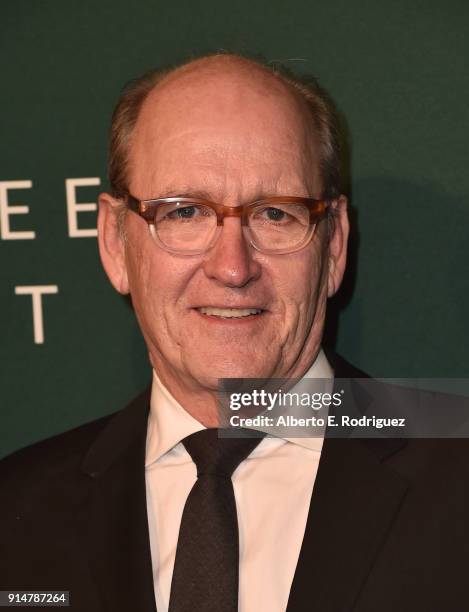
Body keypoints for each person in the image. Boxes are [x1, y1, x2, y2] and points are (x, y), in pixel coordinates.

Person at [1, 52, 468, 612]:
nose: (232, 267)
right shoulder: (15, 512)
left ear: (335, 245)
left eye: (275, 214)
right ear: (115, 242)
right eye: (183, 213)